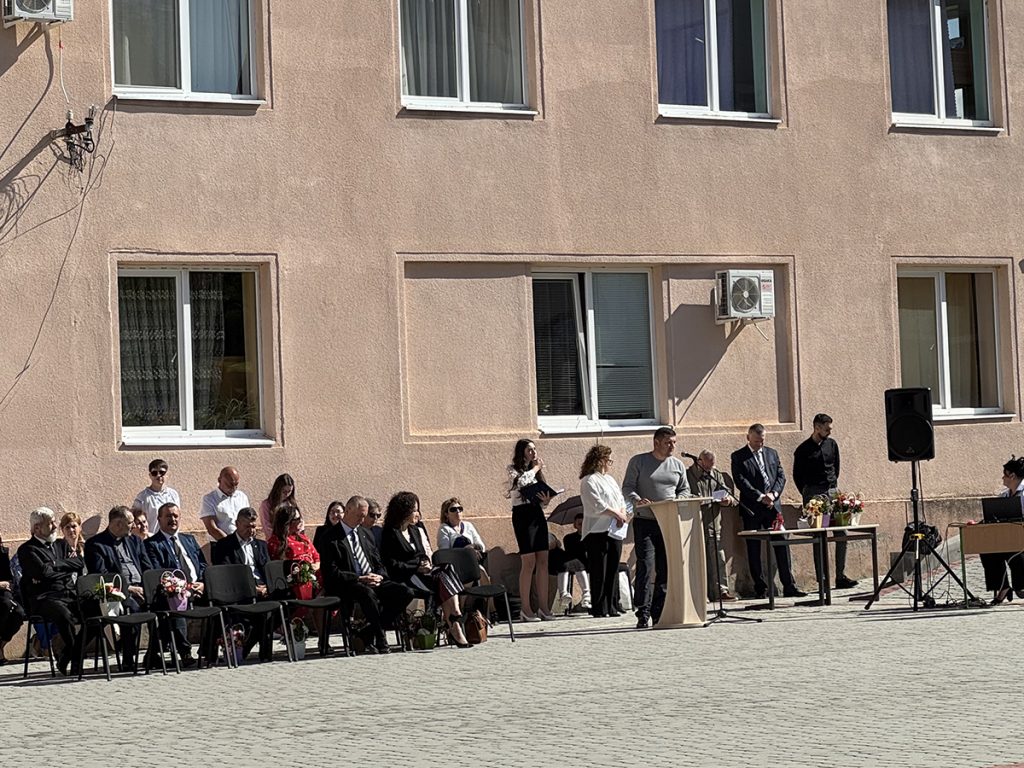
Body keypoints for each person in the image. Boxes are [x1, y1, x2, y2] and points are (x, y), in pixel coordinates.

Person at [319, 495, 415, 654]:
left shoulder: (366, 534)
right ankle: (380, 638)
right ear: (347, 511)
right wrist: (359, 578)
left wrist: (379, 576)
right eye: (359, 515)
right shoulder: (330, 537)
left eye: (364, 516)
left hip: (371, 579)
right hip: (347, 583)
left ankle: (367, 633)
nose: (362, 520)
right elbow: (331, 572)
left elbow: (378, 562)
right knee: (367, 594)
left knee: (405, 592)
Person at [381, 491, 471, 648]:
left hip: (424, 574)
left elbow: (422, 554)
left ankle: (455, 618)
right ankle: (454, 622)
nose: (417, 513)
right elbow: (391, 564)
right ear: (404, 511)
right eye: (414, 510)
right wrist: (417, 566)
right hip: (406, 576)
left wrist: (426, 563)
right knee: (442, 581)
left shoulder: (415, 530)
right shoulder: (390, 533)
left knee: (446, 568)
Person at [622, 426, 691, 628]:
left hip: (669, 521)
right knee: (646, 565)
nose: (672, 446)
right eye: (668, 443)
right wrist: (637, 500)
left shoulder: (677, 465)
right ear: (657, 443)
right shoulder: (639, 461)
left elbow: (685, 489)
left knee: (665, 567)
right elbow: (627, 487)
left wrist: (679, 500)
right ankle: (642, 612)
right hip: (645, 520)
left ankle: (659, 612)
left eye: (674, 442)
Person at [731, 424, 806, 599]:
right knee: (754, 548)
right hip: (752, 508)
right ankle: (761, 588)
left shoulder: (772, 453)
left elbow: (781, 476)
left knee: (782, 544)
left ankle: (789, 585)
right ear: (748, 438)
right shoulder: (738, 456)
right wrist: (760, 496)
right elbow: (741, 481)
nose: (760, 444)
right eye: (757, 441)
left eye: (762, 440)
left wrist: (773, 494)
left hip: (773, 507)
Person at [85, 505, 156, 670]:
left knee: (163, 605)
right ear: (117, 524)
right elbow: (101, 575)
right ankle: (129, 658)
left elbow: (148, 567)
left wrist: (147, 587)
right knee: (132, 608)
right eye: (130, 522)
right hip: (118, 593)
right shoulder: (96, 544)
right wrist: (129, 589)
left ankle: (154, 655)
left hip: (142, 589)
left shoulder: (135, 541)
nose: (134, 525)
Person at [17, 507, 86, 676]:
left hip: (69, 593)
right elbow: (42, 573)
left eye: (55, 522)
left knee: (94, 611)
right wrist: (62, 569)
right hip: (44, 598)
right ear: (37, 528)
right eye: (51, 523)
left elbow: (79, 563)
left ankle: (69, 654)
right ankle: (76, 659)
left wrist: (54, 565)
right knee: (64, 615)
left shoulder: (61, 544)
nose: (55, 526)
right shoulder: (27, 550)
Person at [793, 413, 857, 590]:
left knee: (841, 532)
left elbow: (836, 467)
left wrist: (833, 487)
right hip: (814, 494)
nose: (830, 431)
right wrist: (808, 495)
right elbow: (797, 475)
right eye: (827, 429)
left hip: (832, 491)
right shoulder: (803, 450)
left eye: (830, 428)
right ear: (817, 428)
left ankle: (840, 576)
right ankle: (822, 579)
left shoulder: (832, 444)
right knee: (819, 535)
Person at [145, 503, 208, 666]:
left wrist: (202, 583)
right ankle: (185, 652)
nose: (172, 519)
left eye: (175, 516)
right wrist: (183, 587)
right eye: (168, 516)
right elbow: (158, 571)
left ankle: (209, 650)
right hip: (173, 591)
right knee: (176, 601)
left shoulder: (189, 540)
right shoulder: (152, 544)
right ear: (159, 519)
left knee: (222, 603)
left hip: (197, 588)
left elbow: (202, 564)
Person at [506, 439, 555, 622]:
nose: (534, 452)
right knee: (528, 561)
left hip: (536, 515)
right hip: (522, 516)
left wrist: (546, 501)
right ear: (522, 452)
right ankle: (525, 609)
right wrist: (535, 469)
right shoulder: (513, 469)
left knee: (543, 560)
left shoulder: (536, 473)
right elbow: (520, 483)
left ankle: (544, 607)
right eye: (529, 449)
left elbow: (539, 498)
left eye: (535, 449)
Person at [579, 445, 629, 619]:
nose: (610, 463)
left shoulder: (610, 479)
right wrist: (616, 514)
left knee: (613, 568)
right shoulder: (589, 480)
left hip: (615, 529)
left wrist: (622, 512)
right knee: (599, 570)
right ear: (600, 460)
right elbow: (596, 504)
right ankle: (600, 607)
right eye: (609, 460)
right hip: (597, 531)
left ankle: (613, 604)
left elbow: (620, 498)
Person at [686, 450, 737, 602]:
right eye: (707, 467)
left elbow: (727, 493)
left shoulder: (716, 475)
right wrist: (696, 500)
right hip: (694, 524)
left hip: (714, 523)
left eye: (712, 467)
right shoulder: (688, 475)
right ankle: (701, 593)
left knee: (718, 557)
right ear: (699, 462)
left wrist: (728, 500)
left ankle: (722, 591)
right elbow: (682, 494)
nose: (710, 470)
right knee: (697, 559)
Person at [981, 456, 1024, 604]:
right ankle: (1003, 586)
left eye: (1004, 475)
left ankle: (1020, 585)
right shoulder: (1005, 494)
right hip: (1007, 537)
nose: (1002, 478)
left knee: (1016, 552)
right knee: (988, 550)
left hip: (1020, 537)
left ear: (1012, 476)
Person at [267, 504, 321, 602]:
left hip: (314, 575)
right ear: (287, 522)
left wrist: (316, 566)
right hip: (294, 580)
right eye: (297, 519)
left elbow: (316, 556)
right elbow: (280, 566)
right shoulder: (276, 542)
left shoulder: (303, 538)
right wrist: (303, 570)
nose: (301, 521)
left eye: (300, 518)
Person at [212, 507, 270, 592]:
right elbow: (226, 574)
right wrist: (253, 589)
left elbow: (268, 570)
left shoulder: (261, 545)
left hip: (263, 587)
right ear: (237, 524)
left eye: (253, 526)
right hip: (241, 590)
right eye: (247, 527)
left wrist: (268, 587)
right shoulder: (224, 545)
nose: (251, 530)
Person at [551, 513, 591, 613]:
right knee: (566, 564)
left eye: (584, 523)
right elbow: (571, 552)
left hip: (586, 563)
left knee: (576, 564)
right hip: (572, 563)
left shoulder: (591, 537)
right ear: (575, 525)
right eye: (579, 524)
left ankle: (585, 594)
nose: (582, 526)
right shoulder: (569, 538)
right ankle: (565, 594)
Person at [132, 458, 181, 536]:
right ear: (150, 476)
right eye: (154, 473)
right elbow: (135, 520)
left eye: (162, 472)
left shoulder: (173, 494)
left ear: (167, 474)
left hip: (172, 538)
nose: (158, 475)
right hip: (152, 538)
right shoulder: (142, 497)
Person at [200, 466, 251, 541]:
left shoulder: (242, 497)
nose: (233, 488)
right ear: (219, 480)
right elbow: (212, 529)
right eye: (229, 484)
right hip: (220, 543)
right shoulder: (209, 499)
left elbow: (248, 520)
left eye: (236, 484)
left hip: (243, 542)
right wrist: (230, 543)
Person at [0, 534, 26, 665]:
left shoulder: (2, 552)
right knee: (5, 605)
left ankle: (1, 644)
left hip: (4, 592)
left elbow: (8, 576)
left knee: (18, 612)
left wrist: (9, 583)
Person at [259, 473, 297, 538]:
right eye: (284, 491)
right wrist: (280, 539)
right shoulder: (266, 505)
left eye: (289, 491)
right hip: (275, 540)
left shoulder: (291, 504)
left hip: (292, 539)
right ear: (277, 489)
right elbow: (267, 527)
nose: (287, 494)